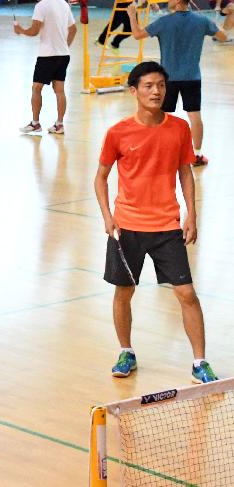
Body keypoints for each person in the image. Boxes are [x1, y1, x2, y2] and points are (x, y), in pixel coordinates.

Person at [93, 61, 217, 385]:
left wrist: (192, 213)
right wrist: (108, 217)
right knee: (124, 292)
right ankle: (126, 351)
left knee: (187, 293)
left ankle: (200, 362)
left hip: (166, 227)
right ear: (134, 91)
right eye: (148, 85)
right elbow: (101, 178)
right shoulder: (117, 132)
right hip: (127, 228)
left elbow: (185, 173)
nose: (156, 91)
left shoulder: (178, 128)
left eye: (161, 85)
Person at [127, 0, 229, 166]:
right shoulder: (201, 21)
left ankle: (161, 155)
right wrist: (215, 25)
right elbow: (222, 37)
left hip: (168, 80)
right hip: (192, 77)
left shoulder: (163, 22)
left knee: (162, 117)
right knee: (195, 115)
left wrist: (132, 16)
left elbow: (137, 34)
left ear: (179, 0)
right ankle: (197, 155)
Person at [14, 0, 77, 135]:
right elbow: (74, 29)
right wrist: (64, 46)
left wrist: (20, 30)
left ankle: (35, 123)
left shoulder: (41, 6)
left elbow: (34, 31)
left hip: (47, 55)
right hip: (63, 55)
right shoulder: (63, 3)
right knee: (59, 90)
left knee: (36, 88)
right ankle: (59, 125)